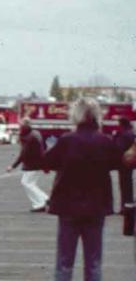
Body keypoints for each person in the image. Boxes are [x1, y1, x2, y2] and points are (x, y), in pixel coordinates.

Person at [43, 98, 123, 281]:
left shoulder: (66, 140)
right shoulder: (105, 141)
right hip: (96, 207)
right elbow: (119, 162)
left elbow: (47, 161)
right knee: (94, 263)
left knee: (64, 263)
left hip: (68, 207)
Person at [6, 120, 49, 212]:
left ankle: (44, 200)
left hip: (33, 164)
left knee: (27, 183)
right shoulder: (35, 133)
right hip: (38, 163)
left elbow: (23, 154)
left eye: (20, 126)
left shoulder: (28, 138)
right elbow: (44, 146)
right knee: (28, 183)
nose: (19, 128)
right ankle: (39, 203)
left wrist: (13, 166)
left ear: (23, 127)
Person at [113, 118, 134, 214]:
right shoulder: (131, 133)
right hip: (131, 162)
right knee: (128, 184)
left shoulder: (123, 134)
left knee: (124, 185)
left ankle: (124, 207)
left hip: (123, 163)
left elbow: (119, 148)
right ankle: (129, 205)